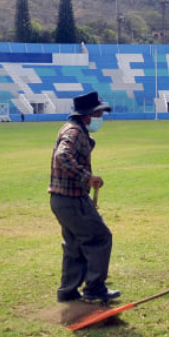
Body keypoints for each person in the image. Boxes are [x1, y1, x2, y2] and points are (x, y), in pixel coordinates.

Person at [48, 91, 120, 303]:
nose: (100, 118)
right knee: (100, 237)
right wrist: (87, 177)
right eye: (99, 114)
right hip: (72, 200)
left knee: (74, 245)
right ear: (87, 116)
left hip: (61, 199)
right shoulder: (75, 132)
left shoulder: (74, 130)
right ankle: (94, 289)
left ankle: (68, 291)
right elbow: (63, 155)